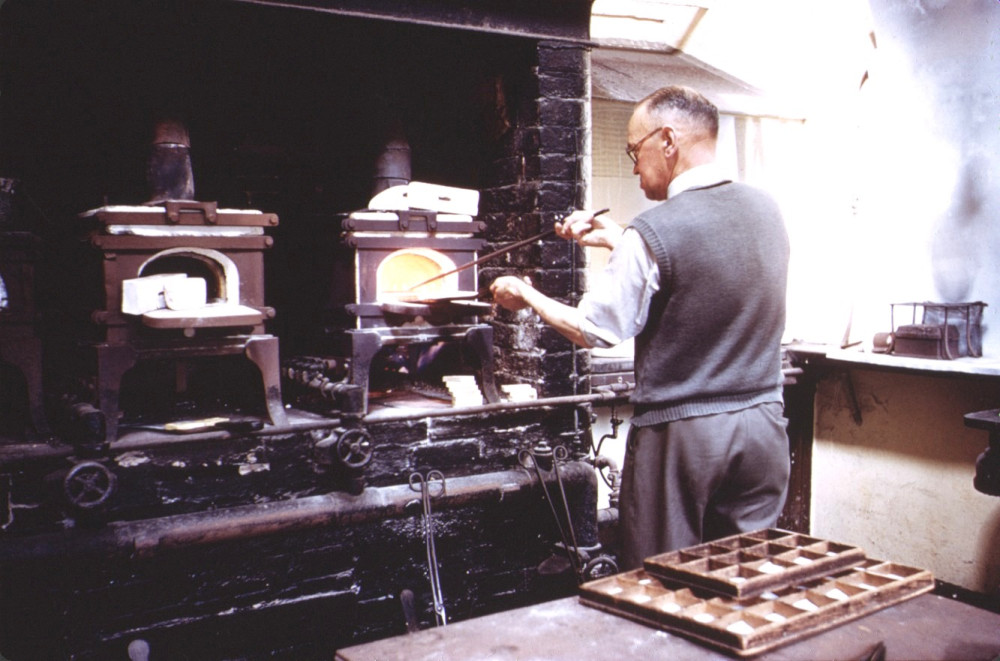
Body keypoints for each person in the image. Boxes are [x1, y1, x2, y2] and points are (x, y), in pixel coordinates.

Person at [490, 85, 790, 570]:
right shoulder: (766, 209)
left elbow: (593, 328)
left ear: (667, 141)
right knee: (744, 577)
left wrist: (526, 294)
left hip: (686, 438)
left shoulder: (652, 232)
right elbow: (706, 265)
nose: (633, 166)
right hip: (764, 426)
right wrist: (619, 240)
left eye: (634, 150)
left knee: (661, 583)